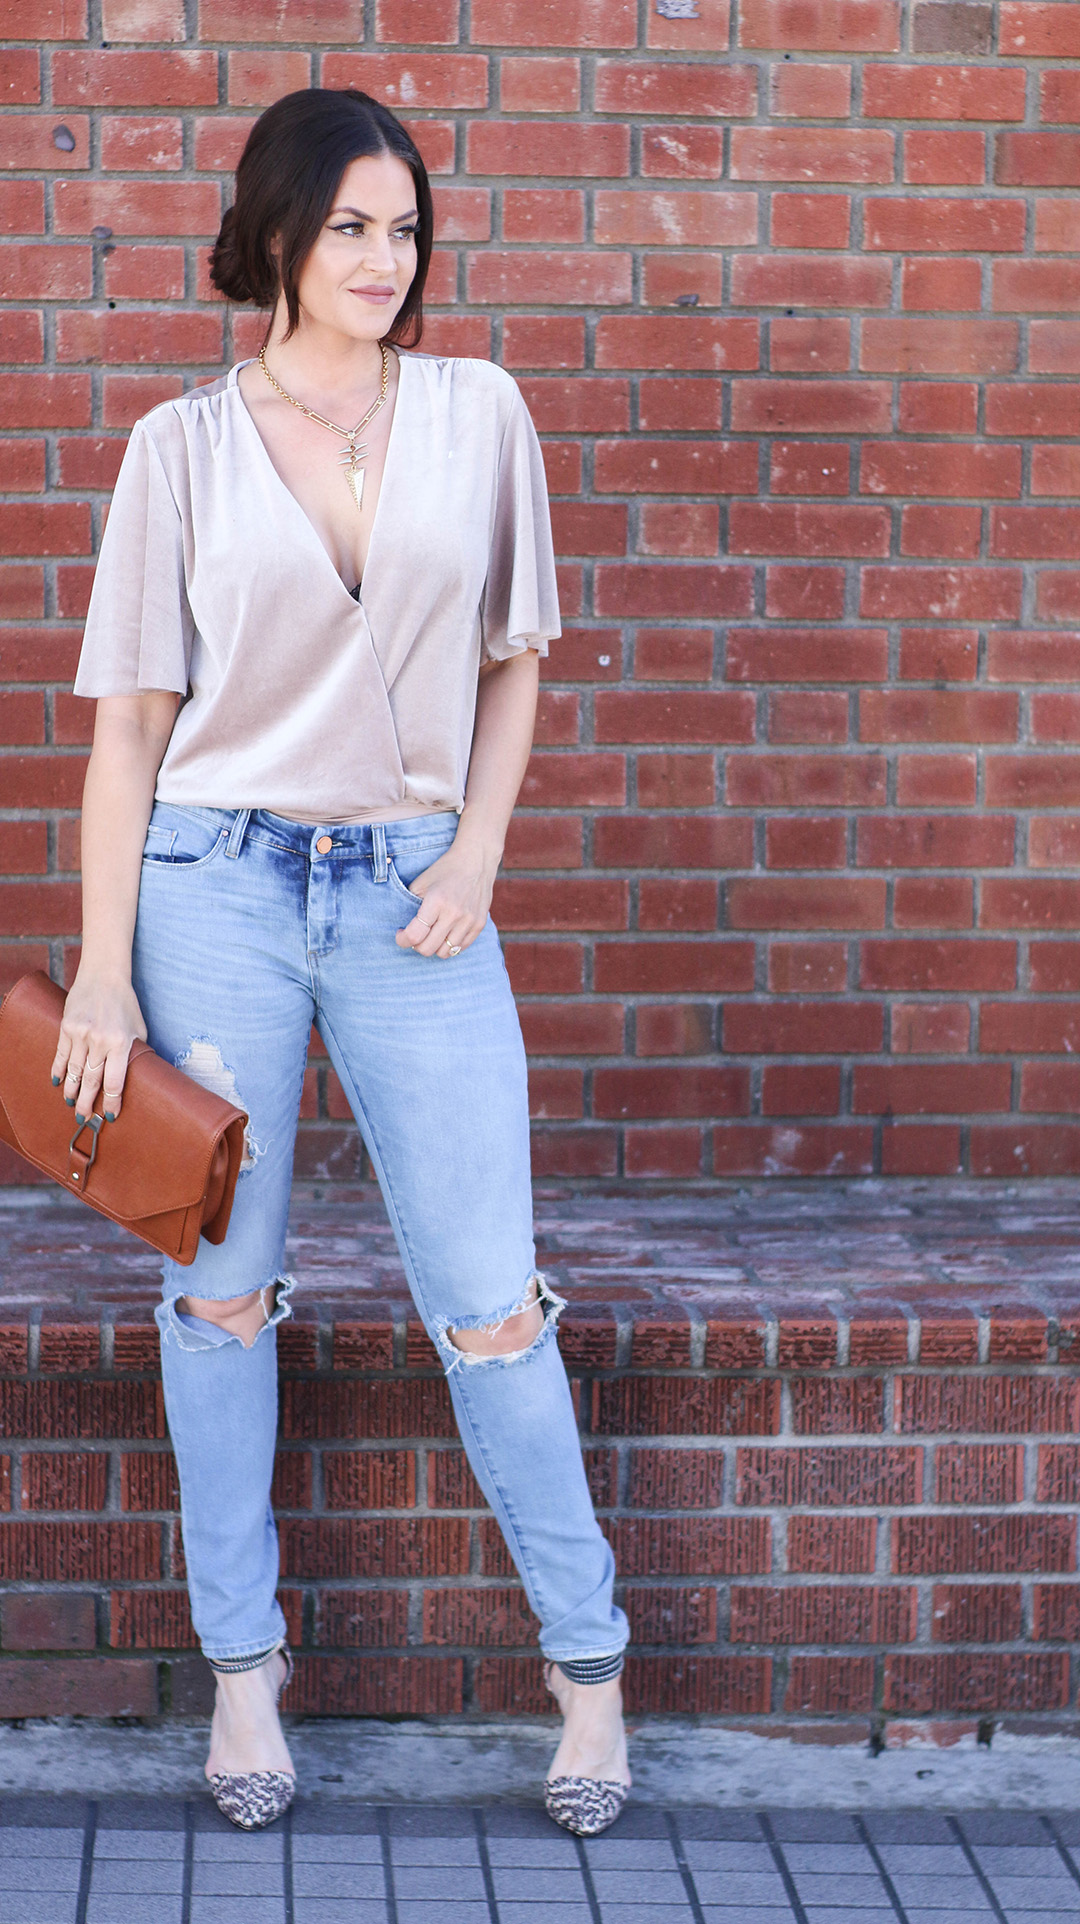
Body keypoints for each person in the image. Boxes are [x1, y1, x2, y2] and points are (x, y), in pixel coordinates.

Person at [58, 87, 630, 1836]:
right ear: (277, 234)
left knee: (489, 1304)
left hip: (413, 896)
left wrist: (478, 846)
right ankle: (245, 1678)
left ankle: (589, 1676)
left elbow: (516, 657)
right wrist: (98, 971)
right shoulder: (180, 447)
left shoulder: (479, 412)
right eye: (350, 227)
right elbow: (127, 735)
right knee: (217, 1297)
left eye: (405, 229)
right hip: (211, 891)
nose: (384, 259)